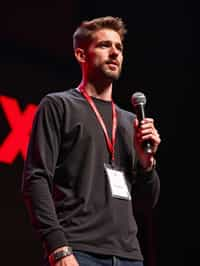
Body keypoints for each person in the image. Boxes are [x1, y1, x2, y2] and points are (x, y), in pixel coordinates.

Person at [22, 16, 161, 266]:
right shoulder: (58, 105)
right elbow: (36, 179)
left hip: (129, 256)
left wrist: (147, 163)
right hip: (78, 251)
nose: (114, 53)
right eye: (104, 45)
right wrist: (58, 248)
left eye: (119, 47)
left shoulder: (131, 122)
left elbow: (145, 204)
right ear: (81, 55)